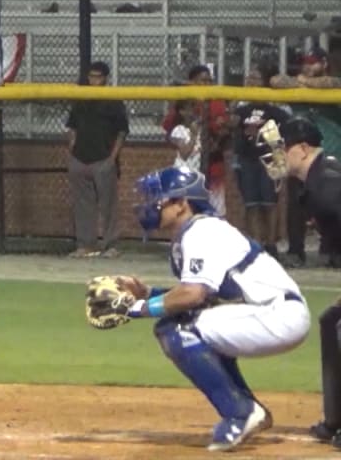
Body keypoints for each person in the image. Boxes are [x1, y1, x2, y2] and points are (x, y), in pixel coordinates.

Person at [122, 166, 309, 452]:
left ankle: (240, 413)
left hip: (277, 315)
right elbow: (200, 297)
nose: (151, 205)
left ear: (182, 204)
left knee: (179, 329)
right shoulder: (192, 233)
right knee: (184, 322)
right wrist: (147, 294)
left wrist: (137, 308)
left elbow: (193, 295)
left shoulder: (202, 231)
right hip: (267, 312)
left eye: (159, 198)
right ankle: (248, 408)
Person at [257, 117, 341, 450]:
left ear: (303, 149)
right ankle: (335, 420)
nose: (277, 155)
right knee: (331, 321)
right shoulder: (317, 180)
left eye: (283, 148)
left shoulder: (328, 185)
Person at [270, 46, 339, 267]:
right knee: (296, 206)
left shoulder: (331, 87)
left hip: (331, 156)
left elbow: (334, 83)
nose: (308, 67)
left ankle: (333, 251)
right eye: (305, 63)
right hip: (300, 160)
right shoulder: (297, 91)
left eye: (314, 62)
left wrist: (305, 82)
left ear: (324, 63)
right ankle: (296, 251)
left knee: (331, 207)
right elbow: (276, 80)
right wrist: (300, 82)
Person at [65, 61, 129, 258]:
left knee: (108, 204)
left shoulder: (113, 100)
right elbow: (72, 127)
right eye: (92, 76)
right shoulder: (80, 98)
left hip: (103, 159)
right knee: (83, 205)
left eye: (98, 77)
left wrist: (112, 158)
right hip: (80, 158)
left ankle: (111, 245)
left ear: (105, 78)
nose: (94, 80)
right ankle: (86, 244)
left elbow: (122, 132)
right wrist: (72, 150)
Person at [232, 66, 290, 257]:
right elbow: (232, 131)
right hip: (247, 160)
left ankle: (271, 244)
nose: (252, 83)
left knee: (270, 203)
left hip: (269, 159)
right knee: (252, 204)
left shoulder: (275, 110)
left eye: (256, 79)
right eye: (249, 79)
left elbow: (282, 135)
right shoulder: (240, 110)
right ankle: (256, 244)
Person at [162, 65, 229, 215]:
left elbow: (224, 129)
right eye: (202, 81)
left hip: (213, 162)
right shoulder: (186, 102)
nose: (206, 84)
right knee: (189, 209)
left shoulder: (216, 101)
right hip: (191, 166)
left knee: (215, 208)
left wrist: (220, 133)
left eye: (209, 81)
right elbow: (169, 129)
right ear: (191, 82)